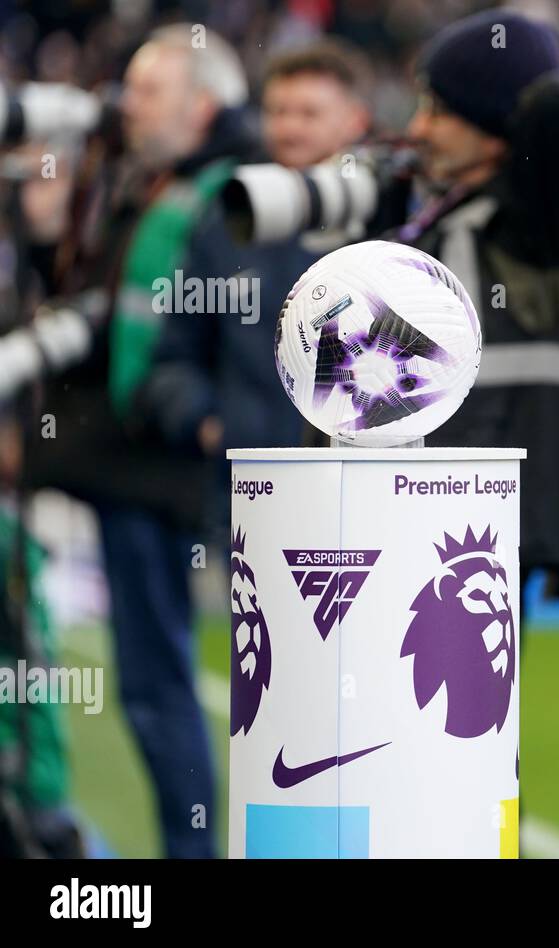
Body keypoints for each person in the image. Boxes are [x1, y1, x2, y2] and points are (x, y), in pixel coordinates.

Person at [22, 25, 256, 858]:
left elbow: (213, 349)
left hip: (172, 477)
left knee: (165, 688)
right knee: (156, 686)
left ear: (203, 104)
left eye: (148, 90)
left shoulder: (227, 198)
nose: (127, 105)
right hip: (144, 471)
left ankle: (191, 854)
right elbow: (105, 320)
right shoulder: (158, 188)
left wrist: (204, 422)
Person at [399, 9, 559, 595]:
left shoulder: (551, 214)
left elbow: (555, 106)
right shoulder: (463, 204)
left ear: (497, 125)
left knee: (462, 685)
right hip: (443, 488)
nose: (418, 129)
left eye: (440, 110)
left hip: (497, 497)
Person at [140, 40, 373, 533]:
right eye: (278, 111)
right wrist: (210, 424)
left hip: (365, 484)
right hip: (250, 485)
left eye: (309, 113)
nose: (289, 127)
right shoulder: (225, 221)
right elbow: (176, 350)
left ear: (354, 120)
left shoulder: (387, 220)